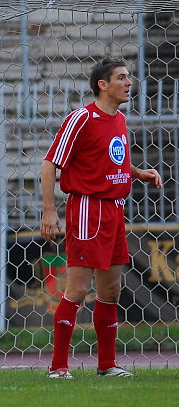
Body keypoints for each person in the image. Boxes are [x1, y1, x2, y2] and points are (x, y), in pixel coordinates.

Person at [41, 56, 163, 379]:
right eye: (121, 77)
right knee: (78, 290)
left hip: (114, 210)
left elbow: (110, 160)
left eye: (128, 77)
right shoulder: (81, 119)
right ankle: (58, 367)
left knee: (111, 291)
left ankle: (107, 365)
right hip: (87, 209)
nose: (129, 83)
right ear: (103, 85)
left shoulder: (119, 119)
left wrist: (137, 173)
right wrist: (49, 210)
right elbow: (50, 163)